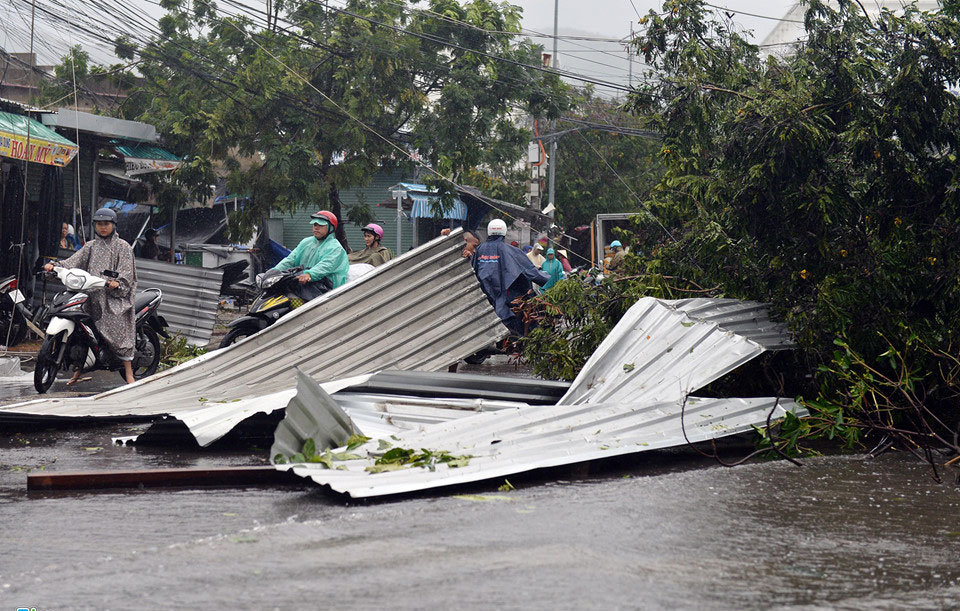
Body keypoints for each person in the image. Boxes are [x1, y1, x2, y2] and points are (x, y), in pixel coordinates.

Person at [44, 207, 137, 385]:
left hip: (113, 298)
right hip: (90, 295)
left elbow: (126, 274)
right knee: (80, 331)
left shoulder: (123, 247)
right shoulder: (91, 246)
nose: (103, 227)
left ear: (113, 225)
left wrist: (116, 283)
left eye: (106, 224)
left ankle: (128, 370)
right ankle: (78, 369)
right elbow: (73, 261)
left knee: (118, 329)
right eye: (99, 224)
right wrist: (56, 265)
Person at [473, 218, 549, 335]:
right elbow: (530, 271)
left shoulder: (479, 250)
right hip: (506, 300)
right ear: (504, 232)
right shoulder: (512, 251)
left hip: (483, 301)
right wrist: (548, 279)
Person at [273, 210, 349, 301]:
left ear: (331, 227)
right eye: (315, 225)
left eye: (320, 225)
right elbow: (290, 259)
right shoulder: (306, 242)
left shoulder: (335, 247)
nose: (316, 228)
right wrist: (274, 272)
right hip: (304, 285)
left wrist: (309, 274)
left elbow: (326, 265)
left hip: (327, 291)